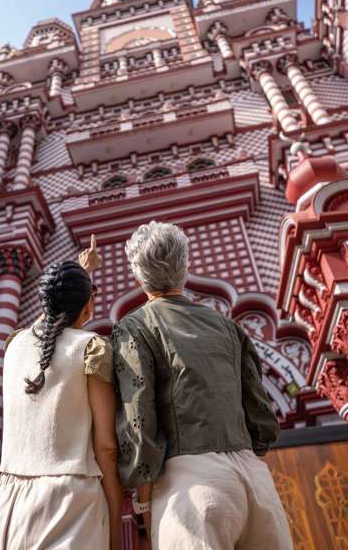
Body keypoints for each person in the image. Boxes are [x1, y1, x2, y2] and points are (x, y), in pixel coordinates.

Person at [112, 221, 293, 550]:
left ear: (137, 277)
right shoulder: (227, 325)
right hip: (255, 482)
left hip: (190, 483)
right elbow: (260, 410)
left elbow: (139, 416)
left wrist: (143, 497)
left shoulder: (135, 326)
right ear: (185, 267)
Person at [0, 237, 123, 550]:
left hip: (4, 508)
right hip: (70, 503)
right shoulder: (91, 348)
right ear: (88, 307)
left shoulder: (13, 345)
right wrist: (115, 520)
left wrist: (81, 274)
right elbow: (106, 447)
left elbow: (44, 328)